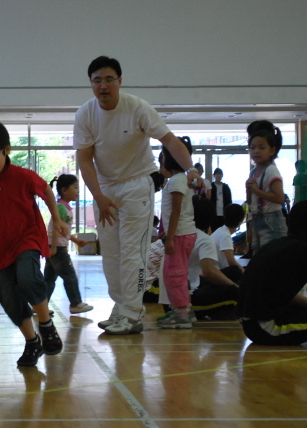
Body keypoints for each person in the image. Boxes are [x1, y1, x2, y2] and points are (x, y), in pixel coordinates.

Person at [73, 56, 202, 335]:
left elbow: (169, 140)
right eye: (97, 81)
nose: (103, 86)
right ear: (91, 84)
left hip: (137, 186)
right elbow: (84, 160)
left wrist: (191, 169)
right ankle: (121, 308)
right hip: (105, 190)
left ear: (119, 81)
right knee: (111, 255)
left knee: (132, 252)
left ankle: (132, 314)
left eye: (109, 79)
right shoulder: (85, 114)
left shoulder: (138, 107)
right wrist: (98, 196)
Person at [0, 120, 69, 366]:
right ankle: (32, 342)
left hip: (26, 238)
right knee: (7, 296)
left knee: (28, 277)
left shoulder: (22, 176)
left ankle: (46, 325)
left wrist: (56, 218)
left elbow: (46, 190)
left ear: (6, 150)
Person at [238, 200, 307, 346]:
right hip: (267, 327)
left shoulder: (279, 245)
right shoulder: (300, 250)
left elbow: (278, 294)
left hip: (253, 325)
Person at [157, 137, 197, 329]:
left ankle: (182, 313)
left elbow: (176, 211)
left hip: (180, 235)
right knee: (176, 273)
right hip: (181, 234)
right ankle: (183, 309)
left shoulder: (176, 181)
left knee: (174, 274)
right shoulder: (178, 180)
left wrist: (171, 238)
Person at [44, 174, 93, 314]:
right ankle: (75, 304)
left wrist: (76, 240)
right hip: (57, 249)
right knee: (69, 275)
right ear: (65, 190)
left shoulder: (63, 207)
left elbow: (63, 231)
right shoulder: (60, 208)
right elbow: (56, 229)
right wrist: (54, 247)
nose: (78, 191)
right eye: (75, 187)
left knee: (48, 279)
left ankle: (40, 306)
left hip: (54, 247)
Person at [188, 197, 241, 321]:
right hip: (188, 299)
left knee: (234, 271)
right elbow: (209, 273)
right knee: (235, 292)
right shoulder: (204, 239)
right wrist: (235, 287)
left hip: (178, 293)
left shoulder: (181, 234)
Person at [246, 128, 287, 254]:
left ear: (272, 150)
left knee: (270, 257)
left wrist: (256, 190)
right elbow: (250, 201)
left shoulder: (271, 170)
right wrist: (248, 189)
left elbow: (280, 198)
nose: (256, 151)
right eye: (252, 148)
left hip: (272, 219)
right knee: (259, 257)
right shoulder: (253, 172)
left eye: (261, 147)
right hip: (257, 218)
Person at [211, 204, 245, 274]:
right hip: (217, 272)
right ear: (241, 220)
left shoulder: (220, 230)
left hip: (214, 269)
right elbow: (231, 262)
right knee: (236, 270)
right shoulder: (225, 236)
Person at [210, 168, 232, 232]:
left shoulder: (226, 187)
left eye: (220, 174)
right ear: (214, 175)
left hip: (224, 213)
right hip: (214, 213)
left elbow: (229, 200)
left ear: (222, 175)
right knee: (214, 231)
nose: (218, 175)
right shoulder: (211, 186)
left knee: (223, 231)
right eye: (217, 174)